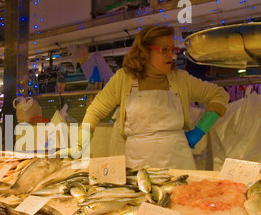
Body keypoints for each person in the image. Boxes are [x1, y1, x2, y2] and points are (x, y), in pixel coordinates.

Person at [70, 26, 229, 169]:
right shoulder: (124, 78)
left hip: (178, 162)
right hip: (138, 164)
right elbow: (96, 109)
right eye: (163, 50)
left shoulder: (181, 79)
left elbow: (219, 95)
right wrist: (80, 143)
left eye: (172, 50)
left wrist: (199, 131)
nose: (170, 56)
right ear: (144, 51)